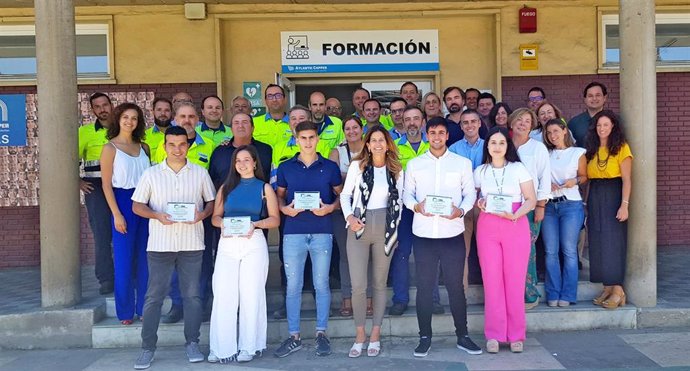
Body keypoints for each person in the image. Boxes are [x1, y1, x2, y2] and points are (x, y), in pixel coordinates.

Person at [132, 125, 216, 370]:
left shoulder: (200, 173)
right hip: (160, 243)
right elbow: (137, 206)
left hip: (191, 243)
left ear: (187, 146)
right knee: (154, 297)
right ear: (164, 146)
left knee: (192, 296)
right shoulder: (151, 174)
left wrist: (202, 215)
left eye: (182, 144)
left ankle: (192, 342)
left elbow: (211, 202)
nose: (177, 149)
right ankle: (147, 347)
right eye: (172, 144)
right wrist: (157, 215)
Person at [404, 118, 482, 358]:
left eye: (441, 133)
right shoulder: (415, 164)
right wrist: (417, 207)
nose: (436, 137)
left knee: (456, 288)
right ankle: (424, 337)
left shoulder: (462, 163)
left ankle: (463, 335)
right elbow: (406, 194)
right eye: (432, 132)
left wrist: (460, 211)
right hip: (424, 234)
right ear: (427, 135)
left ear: (447, 136)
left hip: (452, 233)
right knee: (425, 288)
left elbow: (469, 195)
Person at [273, 121, 343, 358]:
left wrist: (330, 208)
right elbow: (279, 197)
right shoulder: (286, 167)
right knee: (293, 286)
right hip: (293, 232)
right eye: (303, 138)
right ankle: (294, 336)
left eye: (312, 137)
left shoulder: (330, 167)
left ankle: (321, 334)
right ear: (296, 138)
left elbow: (343, 197)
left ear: (317, 138)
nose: (308, 142)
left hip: (322, 231)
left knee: (321, 284)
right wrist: (284, 210)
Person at [208, 145, 280, 364]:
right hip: (228, 244)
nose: (242, 164)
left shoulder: (264, 188)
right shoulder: (225, 188)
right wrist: (224, 225)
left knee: (251, 294)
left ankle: (249, 346)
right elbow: (215, 218)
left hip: (253, 242)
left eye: (246, 160)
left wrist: (255, 224)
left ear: (255, 162)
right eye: (238, 161)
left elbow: (275, 219)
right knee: (223, 294)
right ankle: (221, 348)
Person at [340, 126, 403, 358]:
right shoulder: (358, 166)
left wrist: (394, 231)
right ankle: (360, 335)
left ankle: (375, 334)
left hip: (385, 226)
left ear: (387, 144)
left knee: (379, 283)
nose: (377, 144)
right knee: (358, 285)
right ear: (367, 144)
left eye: (381, 140)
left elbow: (401, 202)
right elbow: (345, 195)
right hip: (359, 225)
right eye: (373, 140)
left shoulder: (396, 169)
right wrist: (349, 217)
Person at [474, 126, 537, 354]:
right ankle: (494, 334)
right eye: (493, 143)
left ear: (507, 146)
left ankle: (516, 334)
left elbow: (531, 199)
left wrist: (516, 214)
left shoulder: (518, 168)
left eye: (501, 142)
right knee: (492, 281)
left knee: (514, 281)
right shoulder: (480, 171)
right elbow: (477, 197)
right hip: (488, 226)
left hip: (515, 223)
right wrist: (480, 203)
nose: (497, 147)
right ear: (487, 146)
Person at [100, 103, 150, 325]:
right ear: (118, 119)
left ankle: (143, 308)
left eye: (134, 118)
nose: (130, 122)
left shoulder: (145, 147)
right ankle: (125, 311)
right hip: (122, 202)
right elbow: (106, 185)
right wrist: (117, 214)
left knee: (145, 259)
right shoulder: (110, 148)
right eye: (126, 117)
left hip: (145, 203)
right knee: (123, 260)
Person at [585, 110, 632, 310]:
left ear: (613, 126)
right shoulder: (592, 148)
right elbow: (588, 180)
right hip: (595, 194)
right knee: (597, 241)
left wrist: (624, 204)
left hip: (614, 194)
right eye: (599, 125)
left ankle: (618, 290)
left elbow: (627, 179)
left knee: (613, 242)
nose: (602, 128)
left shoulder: (621, 148)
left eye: (605, 125)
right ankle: (607, 286)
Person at [329, 116, 372, 318]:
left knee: (370, 255)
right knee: (346, 255)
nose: (352, 131)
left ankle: (369, 299)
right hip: (343, 210)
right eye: (348, 128)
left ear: (362, 129)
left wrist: (348, 177)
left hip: (371, 209)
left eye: (355, 127)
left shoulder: (372, 148)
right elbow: (332, 180)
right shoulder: (337, 151)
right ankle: (347, 298)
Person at [542, 119, 587, 307]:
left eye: (556, 131)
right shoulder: (545, 153)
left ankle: (568, 294)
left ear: (565, 131)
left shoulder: (578, 152)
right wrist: (546, 184)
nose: (553, 135)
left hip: (571, 205)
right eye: (549, 133)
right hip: (550, 206)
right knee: (550, 251)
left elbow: (585, 176)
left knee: (569, 251)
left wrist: (574, 181)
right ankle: (553, 292)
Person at [510, 108, 551, 310]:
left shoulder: (538, 148)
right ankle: (511, 292)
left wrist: (541, 205)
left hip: (530, 207)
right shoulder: (504, 145)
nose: (523, 123)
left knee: (527, 251)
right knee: (509, 252)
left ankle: (529, 293)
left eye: (527, 120)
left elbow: (545, 178)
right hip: (506, 208)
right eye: (519, 119)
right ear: (511, 122)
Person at [79, 92, 115, 295]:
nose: (102, 109)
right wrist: (78, 181)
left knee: (124, 231)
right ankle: (106, 279)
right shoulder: (84, 132)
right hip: (96, 187)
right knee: (101, 234)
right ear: (93, 110)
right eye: (97, 106)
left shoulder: (124, 128)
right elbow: (69, 158)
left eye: (105, 105)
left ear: (111, 105)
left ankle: (128, 275)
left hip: (120, 186)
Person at [449, 109, 485, 289]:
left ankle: (491, 292)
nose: (469, 125)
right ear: (461, 126)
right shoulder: (453, 149)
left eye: (473, 121)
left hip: (484, 205)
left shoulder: (490, 146)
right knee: (461, 251)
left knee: (487, 251)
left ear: (479, 123)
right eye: (465, 122)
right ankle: (460, 292)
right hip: (462, 206)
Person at [569, 82, 608, 148]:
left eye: (598, 95)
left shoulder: (615, 121)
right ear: (585, 99)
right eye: (590, 96)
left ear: (604, 98)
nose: (594, 98)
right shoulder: (574, 123)